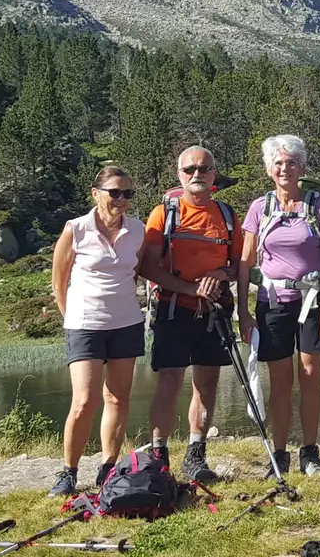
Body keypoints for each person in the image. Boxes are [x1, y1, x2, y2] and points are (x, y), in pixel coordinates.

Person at [236, 134, 320, 477]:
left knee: (311, 377)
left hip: (313, 302)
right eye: (278, 163)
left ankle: (310, 453)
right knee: (280, 381)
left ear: (302, 167)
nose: (285, 168)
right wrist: (243, 310)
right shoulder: (259, 208)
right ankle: (279, 455)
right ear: (270, 169)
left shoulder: (318, 205)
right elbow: (244, 262)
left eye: (291, 162)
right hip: (273, 303)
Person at [137, 145, 242, 484]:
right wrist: (189, 288)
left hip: (214, 312)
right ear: (179, 174)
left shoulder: (226, 215)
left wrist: (220, 277)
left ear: (214, 174)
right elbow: (148, 267)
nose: (197, 174)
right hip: (173, 310)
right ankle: (158, 454)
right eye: (190, 169)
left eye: (204, 168)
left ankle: (196, 454)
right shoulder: (163, 214)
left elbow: (238, 265)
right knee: (169, 381)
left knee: (207, 382)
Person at [48, 165, 147, 497]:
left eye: (127, 194)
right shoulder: (75, 229)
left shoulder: (138, 230)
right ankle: (68, 472)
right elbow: (59, 282)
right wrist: (73, 316)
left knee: (117, 398)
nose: (121, 200)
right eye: (115, 193)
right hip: (84, 324)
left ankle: (108, 468)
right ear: (95, 194)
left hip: (126, 322)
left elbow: (134, 272)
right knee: (84, 401)